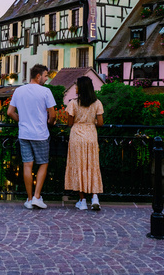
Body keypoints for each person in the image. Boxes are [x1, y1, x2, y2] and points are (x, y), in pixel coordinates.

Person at [7, 64, 56, 209]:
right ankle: (37, 196)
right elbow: (53, 114)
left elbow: (10, 112)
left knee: (27, 165)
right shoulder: (45, 91)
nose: (47, 79)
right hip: (40, 134)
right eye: (46, 76)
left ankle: (29, 199)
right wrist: (50, 123)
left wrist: (21, 120)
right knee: (43, 164)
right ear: (38, 76)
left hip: (24, 133)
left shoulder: (19, 91)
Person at [64, 76, 104, 211]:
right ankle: (95, 197)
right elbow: (101, 122)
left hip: (77, 137)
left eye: (76, 85)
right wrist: (91, 122)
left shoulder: (73, 103)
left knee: (79, 166)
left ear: (80, 88)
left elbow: (70, 122)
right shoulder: (97, 103)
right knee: (92, 166)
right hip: (91, 136)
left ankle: (82, 200)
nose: (75, 87)